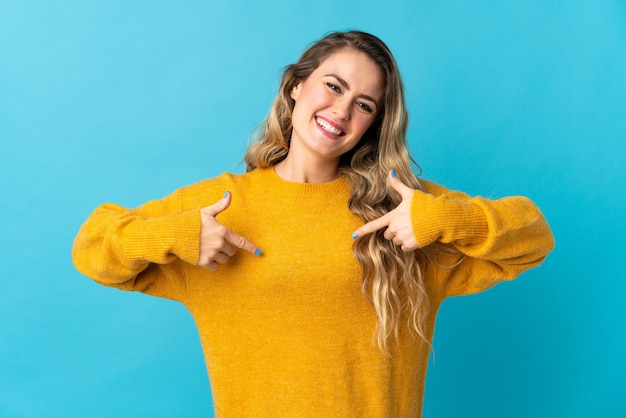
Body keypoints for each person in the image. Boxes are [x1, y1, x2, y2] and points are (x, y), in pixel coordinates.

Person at [72, 30, 554, 417]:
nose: (342, 110)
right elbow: (92, 247)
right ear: (295, 86)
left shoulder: (402, 211)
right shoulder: (222, 207)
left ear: (374, 123)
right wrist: (172, 235)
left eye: (365, 104)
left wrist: (447, 219)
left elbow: (533, 233)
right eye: (333, 85)